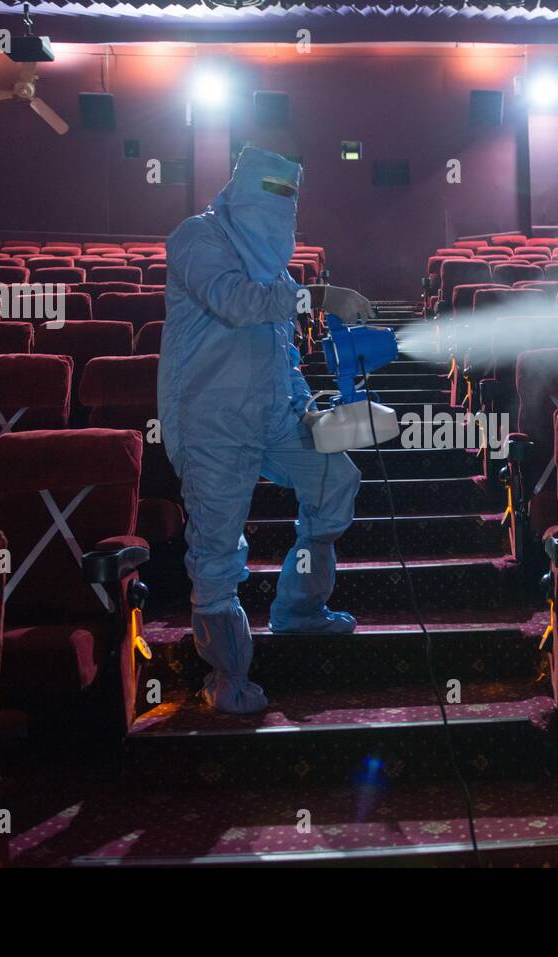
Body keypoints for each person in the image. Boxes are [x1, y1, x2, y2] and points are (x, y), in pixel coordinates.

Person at [158, 146, 376, 713]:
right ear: (242, 189)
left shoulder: (274, 267)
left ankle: (300, 608)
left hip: (275, 413)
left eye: (291, 200)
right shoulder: (195, 238)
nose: (281, 212)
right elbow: (235, 302)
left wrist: (306, 407)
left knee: (333, 478)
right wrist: (321, 296)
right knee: (216, 550)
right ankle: (227, 677)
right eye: (272, 195)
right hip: (211, 421)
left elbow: (280, 354)